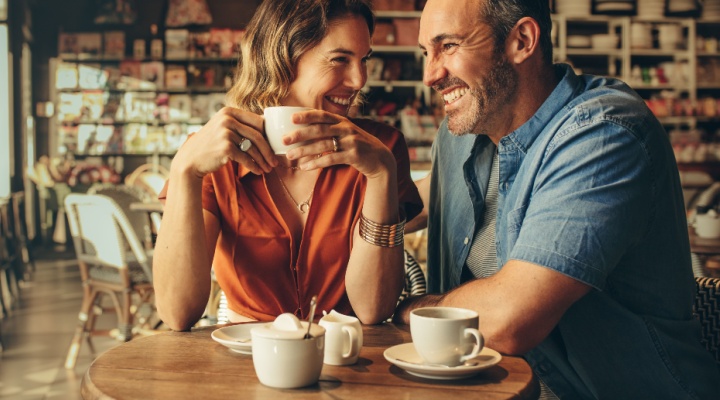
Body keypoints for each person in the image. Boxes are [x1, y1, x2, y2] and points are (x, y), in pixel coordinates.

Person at [396, 0, 720, 398]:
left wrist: (414, 308)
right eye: (426, 51)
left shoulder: (603, 135)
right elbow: (410, 205)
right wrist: (371, 174)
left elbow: (509, 320)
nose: (430, 74)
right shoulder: (461, 139)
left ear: (522, 40)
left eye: (448, 46)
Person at [153, 0, 422, 331]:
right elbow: (177, 313)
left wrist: (381, 173)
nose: (359, 79)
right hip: (244, 363)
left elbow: (372, 309)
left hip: (349, 365)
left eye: (364, 60)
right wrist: (184, 171)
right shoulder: (215, 155)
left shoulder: (380, 151)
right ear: (283, 57)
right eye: (340, 59)